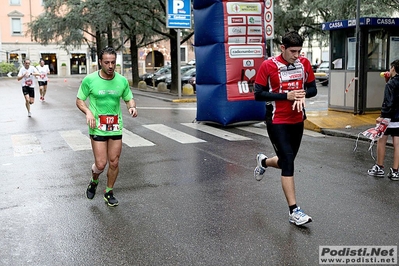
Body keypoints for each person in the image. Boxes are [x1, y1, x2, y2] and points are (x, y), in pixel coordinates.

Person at [253, 31, 317, 226]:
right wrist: (285, 96)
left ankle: (264, 162)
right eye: (293, 51)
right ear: (283, 48)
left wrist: (304, 94)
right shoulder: (268, 65)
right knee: (288, 162)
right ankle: (294, 211)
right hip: (276, 120)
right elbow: (258, 94)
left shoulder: (304, 64)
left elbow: (313, 88)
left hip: (297, 119)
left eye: (299, 51)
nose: (297, 55)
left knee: (284, 161)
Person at [76, 47, 138, 206]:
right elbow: (79, 100)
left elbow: (128, 98)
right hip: (97, 126)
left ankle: (109, 191)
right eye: (107, 62)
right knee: (101, 164)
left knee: (114, 162)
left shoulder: (122, 81)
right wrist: (88, 112)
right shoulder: (89, 80)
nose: (110, 66)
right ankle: (94, 179)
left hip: (115, 126)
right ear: (100, 62)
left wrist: (132, 106)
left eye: (113, 62)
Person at [367, 59, 399, 181]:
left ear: (394, 69)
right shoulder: (391, 82)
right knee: (397, 144)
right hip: (398, 119)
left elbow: (389, 102)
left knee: (381, 140)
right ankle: (395, 171)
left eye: (391, 68)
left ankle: (379, 167)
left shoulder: (391, 84)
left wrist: (382, 116)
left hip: (388, 118)